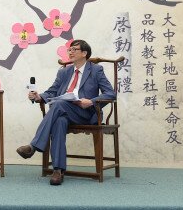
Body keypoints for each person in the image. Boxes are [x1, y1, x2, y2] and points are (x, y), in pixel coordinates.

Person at [16, 39, 115, 185]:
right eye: (69, 49)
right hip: (63, 112)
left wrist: (92, 101)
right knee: (59, 121)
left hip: (84, 113)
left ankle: (34, 146)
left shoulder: (96, 70)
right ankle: (58, 170)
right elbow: (52, 91)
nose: (71, 52)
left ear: (84, 53)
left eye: (74, 49)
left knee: (59, 104)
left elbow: (110, 94)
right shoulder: (64, 72)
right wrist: (39, 97)